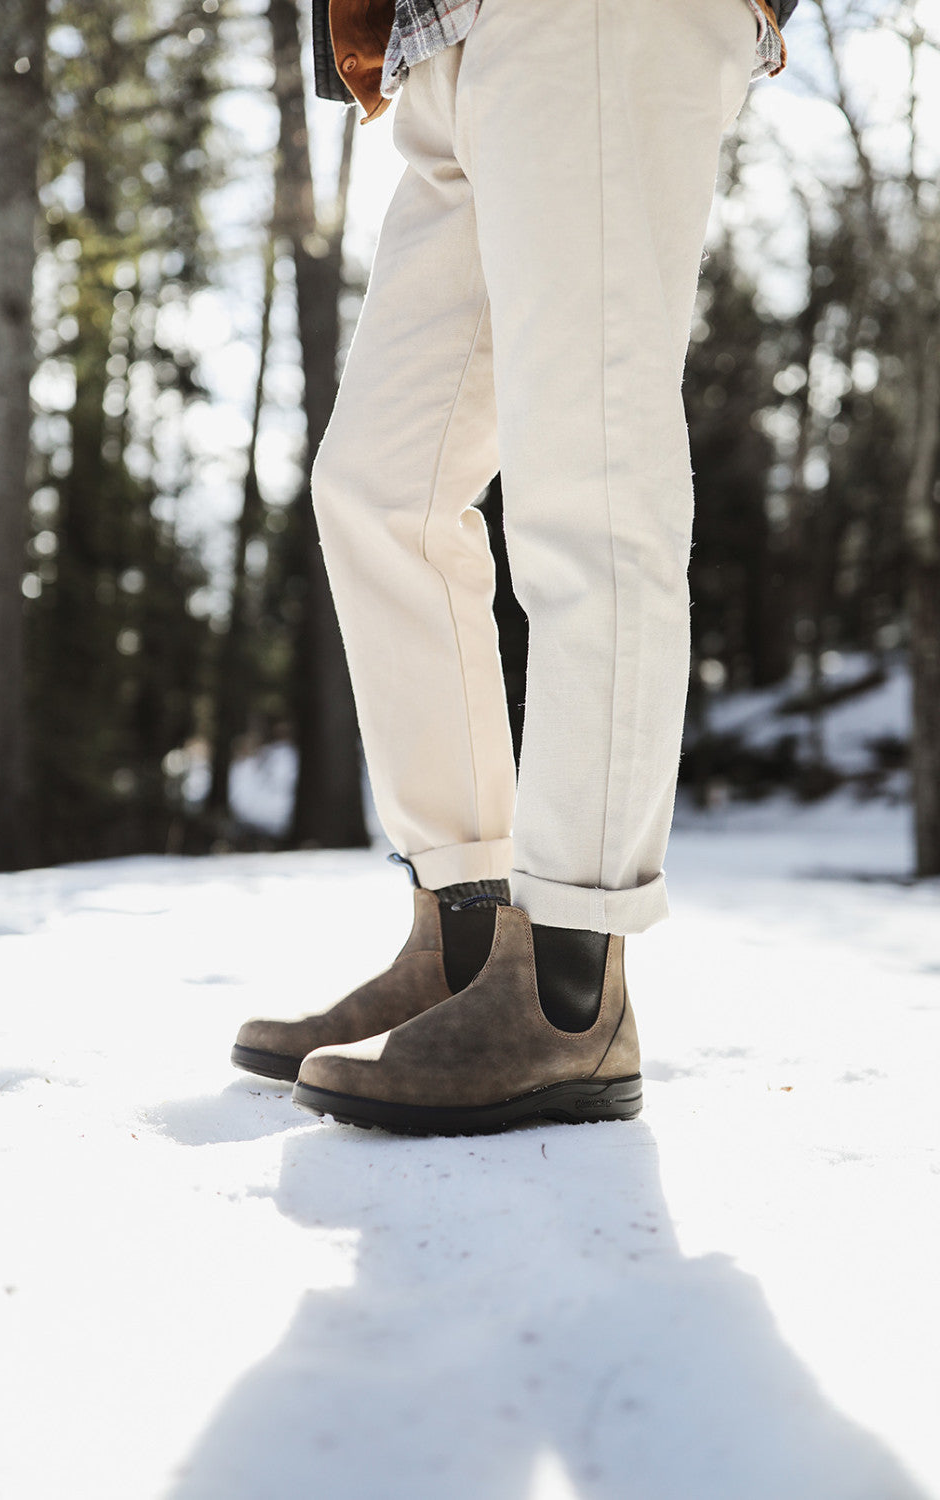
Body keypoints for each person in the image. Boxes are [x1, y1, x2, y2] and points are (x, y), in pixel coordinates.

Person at [232, 0, 797, 1135]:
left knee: (590, 478)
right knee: (380, 488)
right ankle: (467, 942)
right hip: (441, 39)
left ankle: (567, 992)